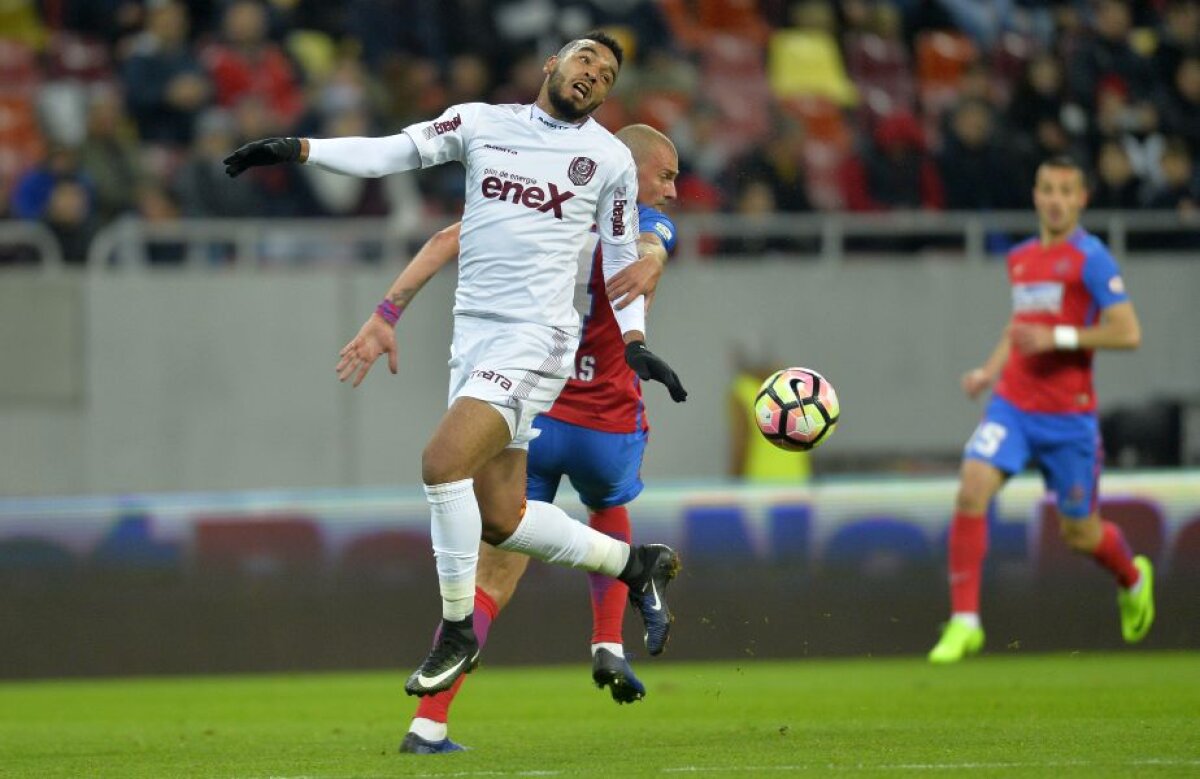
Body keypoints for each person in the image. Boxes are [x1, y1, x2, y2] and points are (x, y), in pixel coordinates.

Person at [224, 32, 688, 700]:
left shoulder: (609, 159)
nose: (594, 74)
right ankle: (633, 563)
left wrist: (636, 342)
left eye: (608, 73)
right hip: (472, 341)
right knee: (502, 517)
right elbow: (391, 153)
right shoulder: (480, 123)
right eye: (586, 58)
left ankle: (456, 631)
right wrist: (299, 149)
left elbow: (624, 254)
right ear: (553, 63)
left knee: (442, 463)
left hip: (537, 344)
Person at [344, 123, 680, 754]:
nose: (671, 191)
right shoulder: (637, 224)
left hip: (531, 410)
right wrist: (656, 257)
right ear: (625, 170)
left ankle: (429, 723)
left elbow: (450, 238)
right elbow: (654, 244)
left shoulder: (536, 209)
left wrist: (386, 313)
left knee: (494, 565)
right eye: (664, 176)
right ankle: (609, 637)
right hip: (603, 416)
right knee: (608, 506)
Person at [928, 156, 1155, 664]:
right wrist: (989, 372)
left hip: (1069, 418)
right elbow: (1021, 326)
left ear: (1081, 200)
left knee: (1081, 533)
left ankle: (1133, 577)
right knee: (971, 487)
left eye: (1065, 191)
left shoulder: (1092, 259)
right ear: (1035, 195)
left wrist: (1060, 336)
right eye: (1047, 189)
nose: (1055, 199)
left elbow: (1128, 331)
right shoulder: (1021, 258)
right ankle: (965, 622)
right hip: (1013, 404)